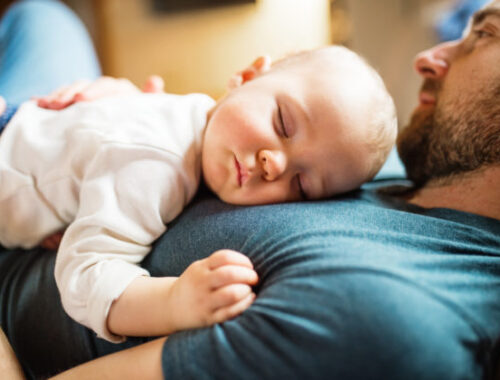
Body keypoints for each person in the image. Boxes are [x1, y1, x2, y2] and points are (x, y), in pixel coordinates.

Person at [0, 0, 499, 379]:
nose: (428, 56)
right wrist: (121, 113)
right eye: (282, 121)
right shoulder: (414, 158)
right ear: (245, 75)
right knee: (42, 14)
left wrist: (173, 301)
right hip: (46, 137)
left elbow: (87, 276)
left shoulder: (391, 318)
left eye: (486, 34)